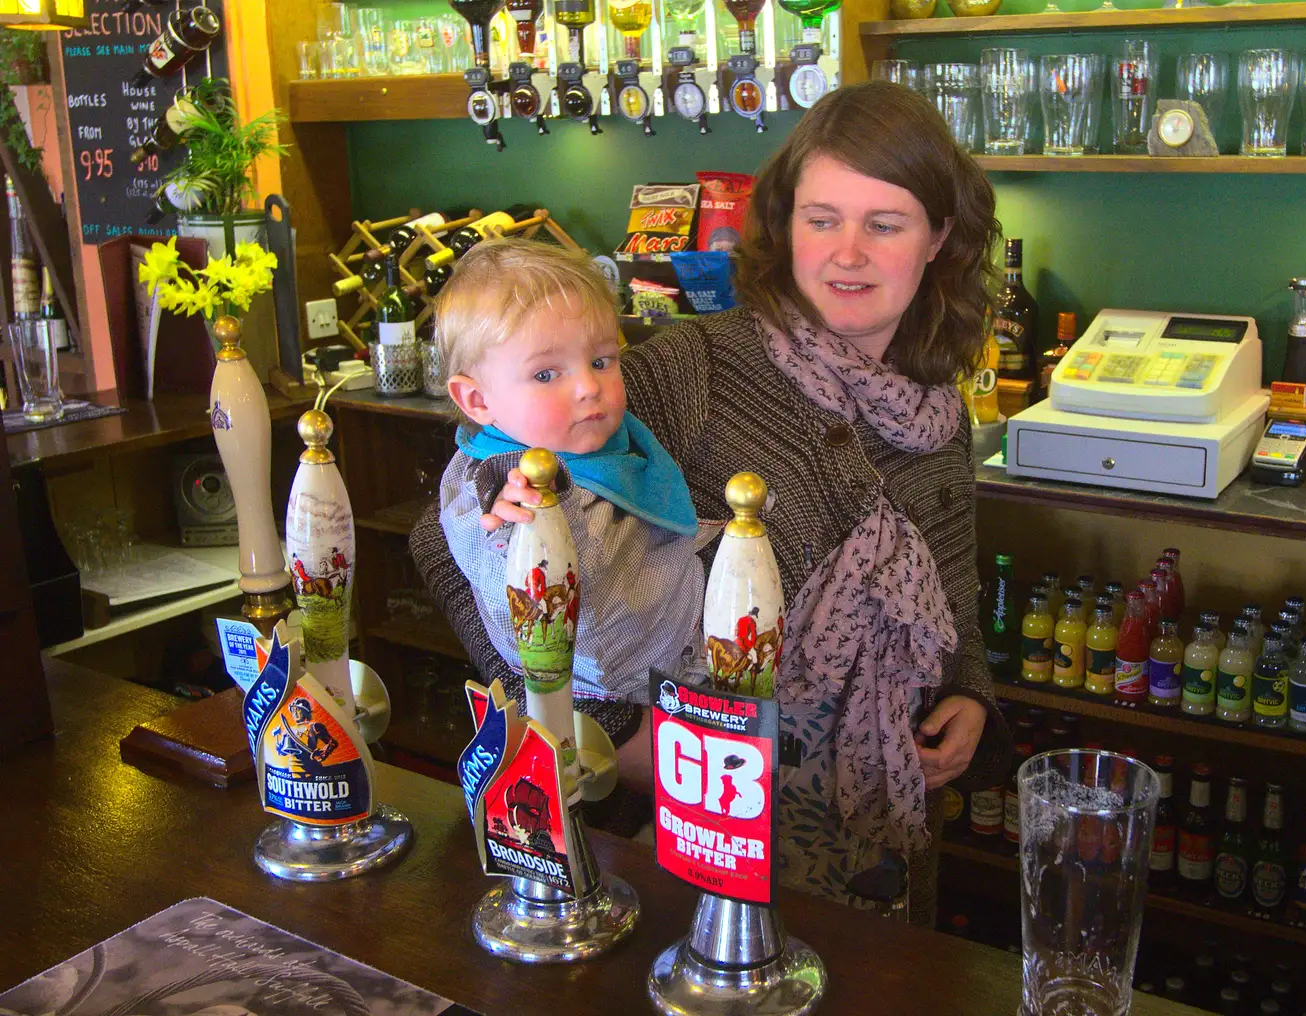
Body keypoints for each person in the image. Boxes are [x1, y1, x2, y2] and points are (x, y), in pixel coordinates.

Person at [412, 81, 1009, 923]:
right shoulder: (699, 367)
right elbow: (449, 543)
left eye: (885, 224)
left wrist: (970, 695)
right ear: (785, 222)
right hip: (688, 842)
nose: (847, 253)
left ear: (939, 238)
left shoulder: (940, 412)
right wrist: (608, 731)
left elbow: (952, 587)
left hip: (881, 840)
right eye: (821, 218)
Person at [427, 238, 709, 727]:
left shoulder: (604, 441)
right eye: (546, 374)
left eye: (601, 361)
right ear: (476, 401)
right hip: (598, 682)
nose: (588, 386)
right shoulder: (501, 477)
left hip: (678, 655)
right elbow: (492, 550)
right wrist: (515, 524)